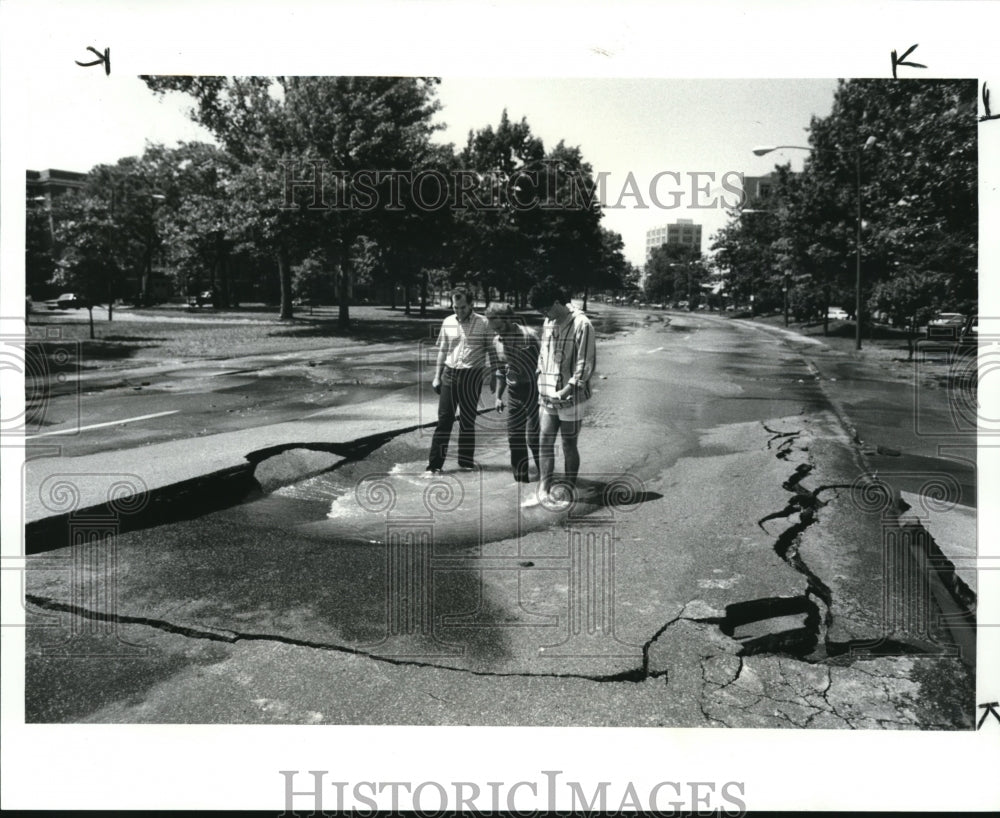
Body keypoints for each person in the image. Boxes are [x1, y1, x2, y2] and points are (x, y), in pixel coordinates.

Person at [526, 278, 596, 505]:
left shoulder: (582, 324)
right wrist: (539, 373)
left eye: (546, 308)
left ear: (557, 302)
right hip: (547, 393)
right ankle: (544, 489)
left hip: (571, 395)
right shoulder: (549, 321)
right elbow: (544, 354)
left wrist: (568, 389)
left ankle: (568, 489)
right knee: (544, 440)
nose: (544, 314)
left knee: (568, 443)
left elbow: (585, 364)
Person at [424, 284, 498, 476]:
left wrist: (495, 377)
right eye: (455, 307)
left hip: (472, 375)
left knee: (467, 421)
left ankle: (465, 464)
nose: (458, 311)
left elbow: (492, 351)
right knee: (444, 421)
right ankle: (434, 466)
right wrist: (436, 376)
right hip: (450, 374)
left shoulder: (484, 323)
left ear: (471, 304)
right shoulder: (448, 321)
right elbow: (442, 350)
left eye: (462, 307)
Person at [486, 303, 541, 483]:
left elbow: (546, 365)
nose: (498, 332)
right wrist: (498, 397)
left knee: (534, 438)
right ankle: (521, 481)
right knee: (514, 437)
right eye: (494, 329)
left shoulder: (530, 336)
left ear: (509, 319)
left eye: (500, 327)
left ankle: (545, 478)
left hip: (535, 390)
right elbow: (501, 370)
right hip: (514, 392)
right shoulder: (496, 341)